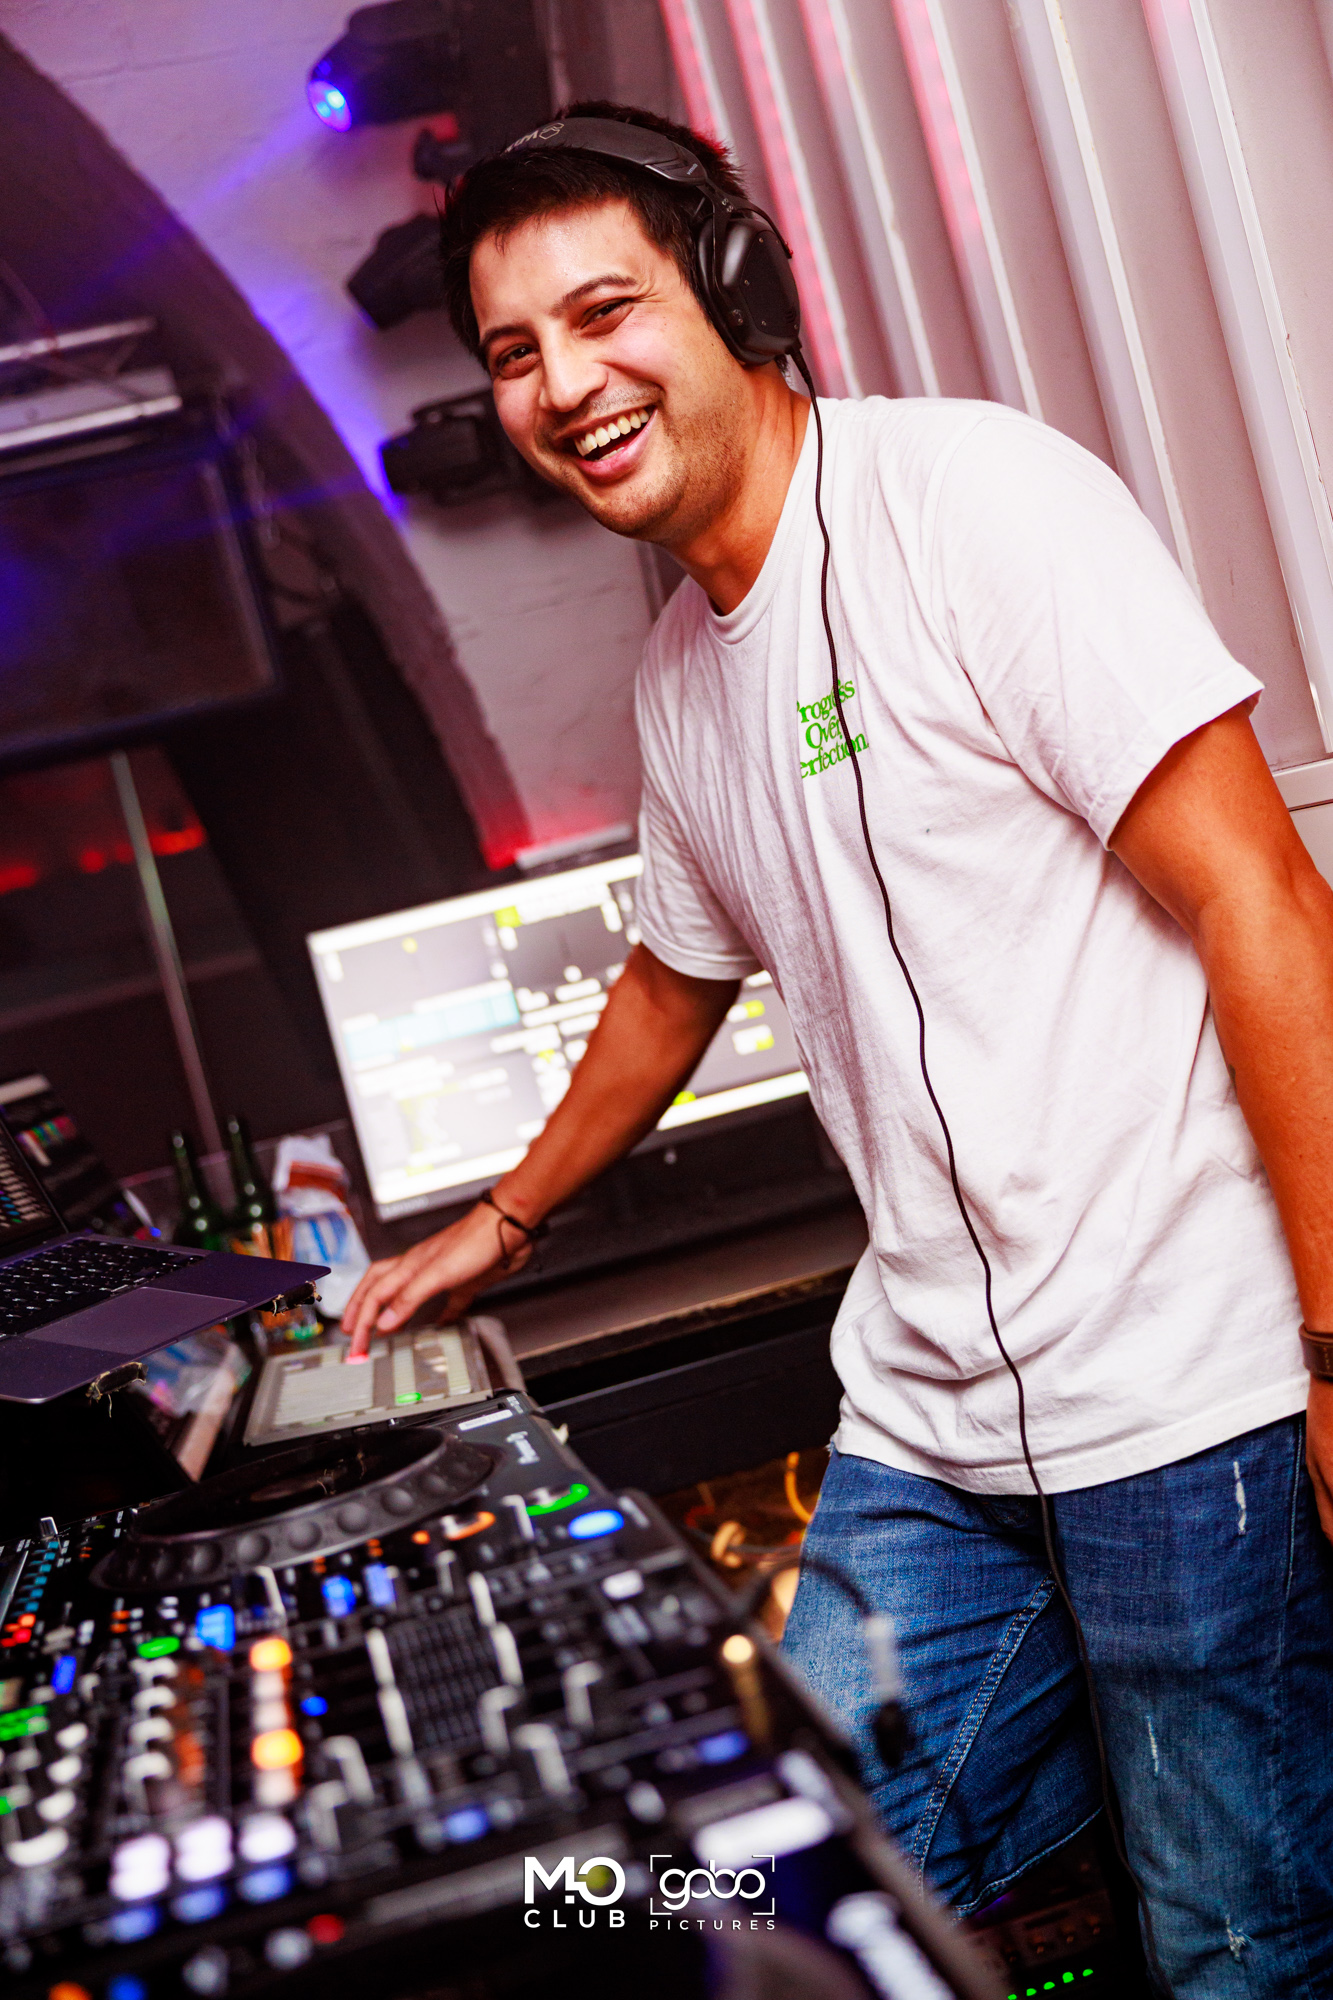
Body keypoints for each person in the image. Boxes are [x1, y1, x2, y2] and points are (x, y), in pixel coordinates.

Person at [341, 102, 1333, 1995]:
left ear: (734, 292)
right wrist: (506, 1220)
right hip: (933, 1427)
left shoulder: (978, 505)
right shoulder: (679, 680)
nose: (563, 384)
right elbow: (670, 979)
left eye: (603, 313)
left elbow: (1265, 904)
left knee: (1230, 1952)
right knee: (737, 1896)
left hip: (1185, 1395)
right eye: (513, 352)